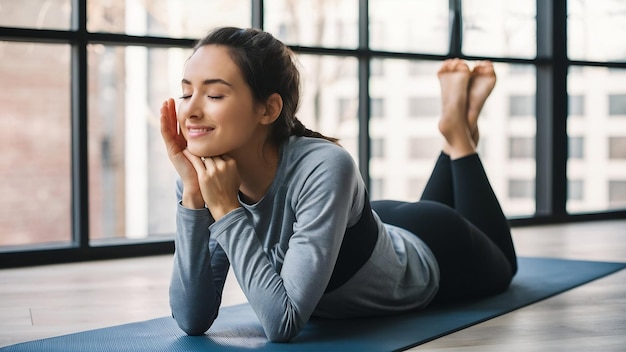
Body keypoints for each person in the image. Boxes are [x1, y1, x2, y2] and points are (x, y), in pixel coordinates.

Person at [159, 26, 517, 343]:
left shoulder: (325, 164)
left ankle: (459, 138)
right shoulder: (204, 178)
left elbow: (282, 323)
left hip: (435, 249)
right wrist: (193, 198)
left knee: (506, 268)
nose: (190, 111)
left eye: (215, 95)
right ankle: (454, 134)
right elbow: (192, 319)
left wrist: (225, 209)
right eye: (187, 92)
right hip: (373, 226)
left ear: (268, 109)